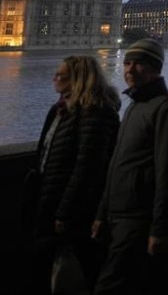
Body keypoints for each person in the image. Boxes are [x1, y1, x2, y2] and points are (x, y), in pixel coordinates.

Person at [92, 39, 168, 294]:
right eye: (127, 63)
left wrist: (160, 228)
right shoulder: (134, 105)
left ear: (155, 68)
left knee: (109, 285)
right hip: (120, 212)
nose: (130, 70)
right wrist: (102, 212)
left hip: (138, 217)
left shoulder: (167, 108)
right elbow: (116, 164)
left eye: (139, 64)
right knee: (158, 280)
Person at [24, 55, 120, 293]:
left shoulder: (95, 113)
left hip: (72, 209)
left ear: (78, 79)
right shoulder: (60, 109)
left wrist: (65, 211)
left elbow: (87, 167)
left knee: (82, 267)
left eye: (60, 75)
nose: (54, 78)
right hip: (50, 200)